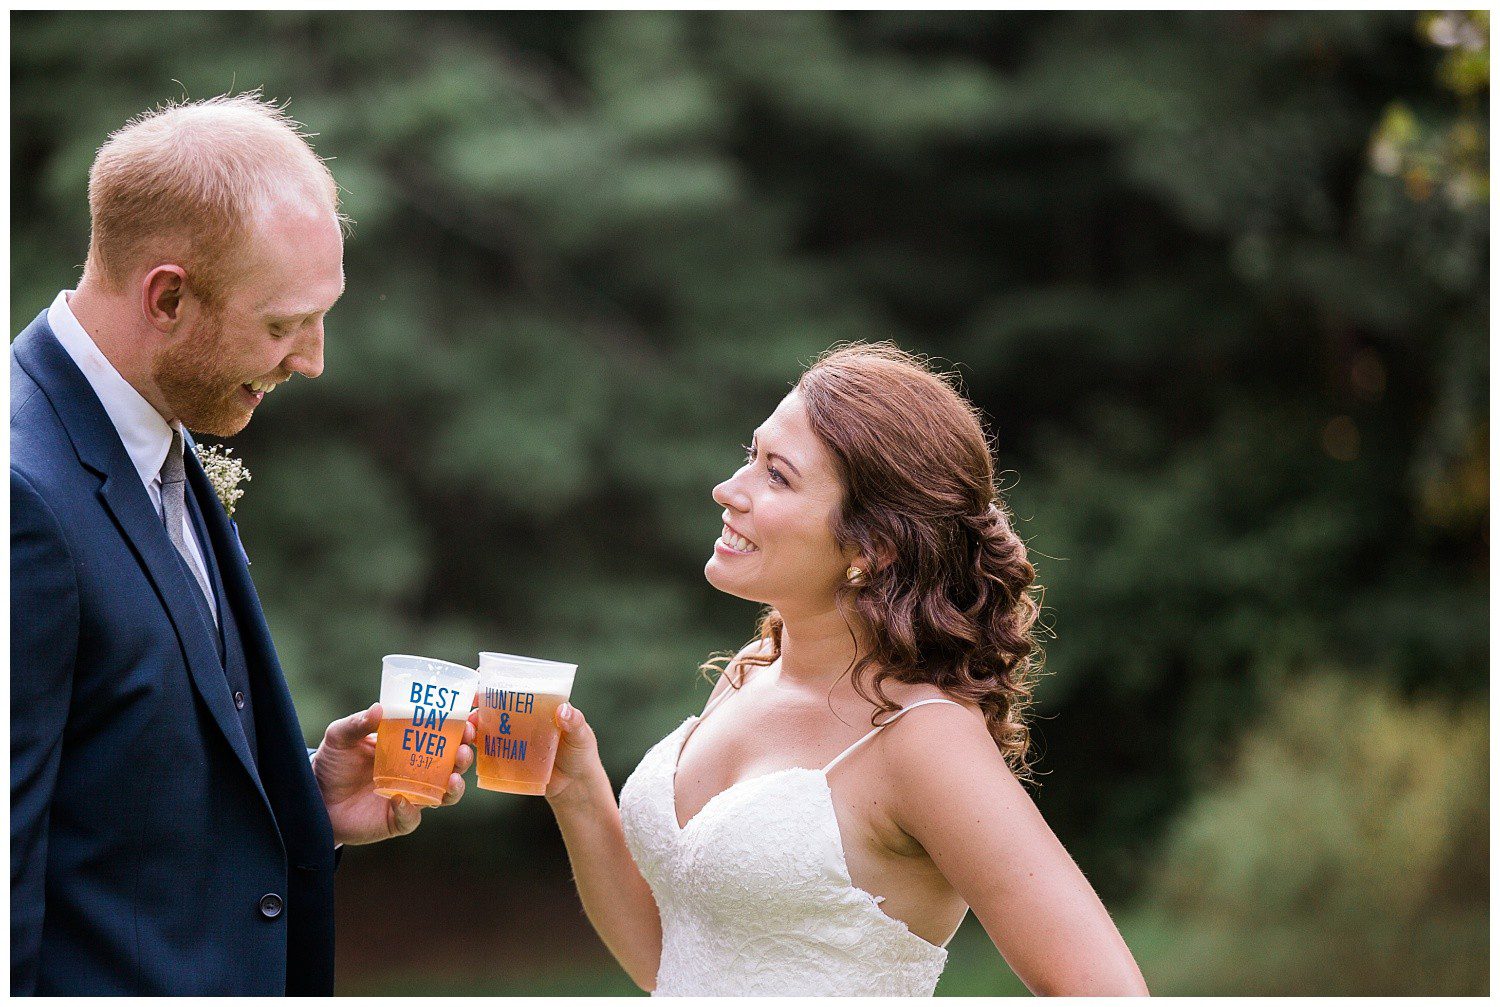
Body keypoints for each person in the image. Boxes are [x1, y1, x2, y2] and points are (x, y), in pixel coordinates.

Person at [10, 94, 474, 996]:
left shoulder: (153, 431)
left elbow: (108, 792)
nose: (312, 359)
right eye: (282, 324)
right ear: (169, 296)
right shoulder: (21, 499)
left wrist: (304, 804)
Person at [540, 343, 1149, 995]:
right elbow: (681, 964)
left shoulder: (925, 737)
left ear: (872, 545)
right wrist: (576, 790)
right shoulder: (750, 671)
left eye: (776, 475)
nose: (728, 489)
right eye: (751, 457)